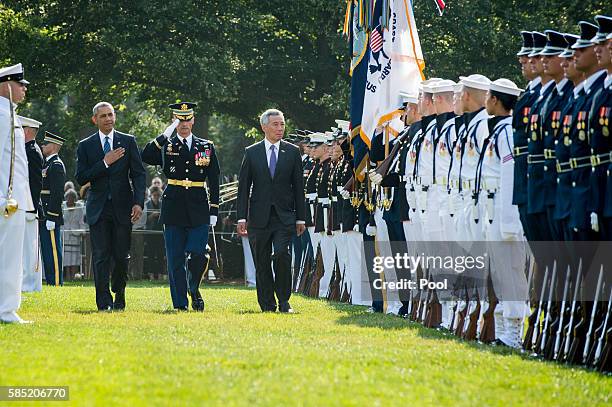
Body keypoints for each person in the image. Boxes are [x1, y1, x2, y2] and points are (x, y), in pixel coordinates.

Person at [141, 102, 219, 311]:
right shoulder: (166, 145)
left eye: (187, 119)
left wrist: (214, 209)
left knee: (199, 253)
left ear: (193, 120)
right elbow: (145, 156)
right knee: (175, 258)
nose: (184, 123)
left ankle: (193, 289)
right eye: (179, 119)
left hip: (198, 206)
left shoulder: (206, 146)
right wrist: (162, 136)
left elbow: (214, 178)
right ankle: (181, 303)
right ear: (174, 121)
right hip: (174, 206)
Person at [75, 101, 146, 311]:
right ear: (95, 119)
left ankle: (119, 293)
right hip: (98, 209)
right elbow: (81, 177)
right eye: (103, 116)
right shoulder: (85, 145)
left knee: (121, 255)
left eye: (111, 115)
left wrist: (138, 202)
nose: (108, 119)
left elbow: (139, 175)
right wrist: (105, 162)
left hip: (123, 208)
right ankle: (103, 301)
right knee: (100, 255)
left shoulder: (128, 141)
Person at [236, 108, 305, 313]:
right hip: (259, 217)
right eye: (275, 124)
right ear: (264, 127)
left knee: (282, 254)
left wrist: (301, 218)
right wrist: (242, 217)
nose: (280, 128)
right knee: (262, 261)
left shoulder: (292, 152)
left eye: (282, 124)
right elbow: (243, 188)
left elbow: (298, 187)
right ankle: (267, 304)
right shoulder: (252, 152)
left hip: (284, 216)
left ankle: (284, 301)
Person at [0, 63, 34, 324]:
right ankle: (6, 310)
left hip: (13, 199)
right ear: (6, 86)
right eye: (19, 84)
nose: (23, 89)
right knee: (9, 258)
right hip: (6, 200)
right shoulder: (2, 117)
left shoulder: (9, 116)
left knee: (12, 257)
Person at [20, 115, 44, 292]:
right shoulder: (27, 149)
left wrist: (31, 208)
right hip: (25, 205)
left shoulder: (32, 151)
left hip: (30, 207)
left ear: (27, 131)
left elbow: (35, 184)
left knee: (30, 249)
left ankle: (31, 285)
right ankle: (27, 284)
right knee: (25, 248)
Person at [39, 131, 66, 286]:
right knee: (47, 252)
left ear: (55, 146)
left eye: (46, 143)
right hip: (44, 214)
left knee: (53, 252)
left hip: (50, 215)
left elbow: (57, 194)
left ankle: (56, 282)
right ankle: (50, 281)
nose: (43, 145)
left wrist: (51, 216)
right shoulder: (48, 164)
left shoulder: (56, 165)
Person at [62, 188, 86, 280]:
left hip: (76, 235)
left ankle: (73, 276)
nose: (70, 199)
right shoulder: (63, 206)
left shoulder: (79, 206)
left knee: (75, 258)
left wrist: (83, 231)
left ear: (75, 198)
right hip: (65, 235)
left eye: (72, 197)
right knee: (66, 258)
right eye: (68, 197)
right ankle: (67, 276)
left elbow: (81, 221)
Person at [144, 185, 165, 280]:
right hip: (150, 232)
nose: (156, 197)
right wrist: (152, 215)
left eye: (158, 195)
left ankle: (161, 273)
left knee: (161, 254)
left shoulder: (162, 203)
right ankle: (151, 274)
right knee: (150, 254)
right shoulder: (147, 204)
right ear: (151, 194)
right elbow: (144, 220)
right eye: (154, 195)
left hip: (160, 232)